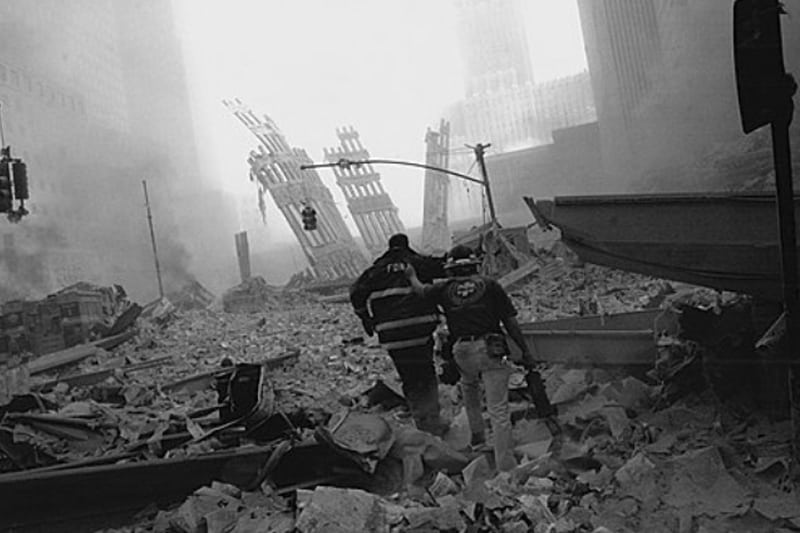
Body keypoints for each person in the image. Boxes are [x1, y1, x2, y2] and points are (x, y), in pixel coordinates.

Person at [405, 244, 536, 472]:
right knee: (498, 409)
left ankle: (478, 442)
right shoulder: (490, 285)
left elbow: (420, 290)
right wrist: (525, 351)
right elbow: (510, 322)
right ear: (475, 265)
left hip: (462, 350)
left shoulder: (444, 288)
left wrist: (411, 275)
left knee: (470, 392)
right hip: (489, 348)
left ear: (451, 269)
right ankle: (506, 464)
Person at [349, 233, 449, 436]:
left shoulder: (374, 271)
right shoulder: (418, 263)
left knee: (408, 376)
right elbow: (445, 268)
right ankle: (432, 420)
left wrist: (366, 319)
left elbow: (355, 292)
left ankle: (421, 422)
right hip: (420, 329)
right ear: (407, 245)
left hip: (391, 334)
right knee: (426, 372)